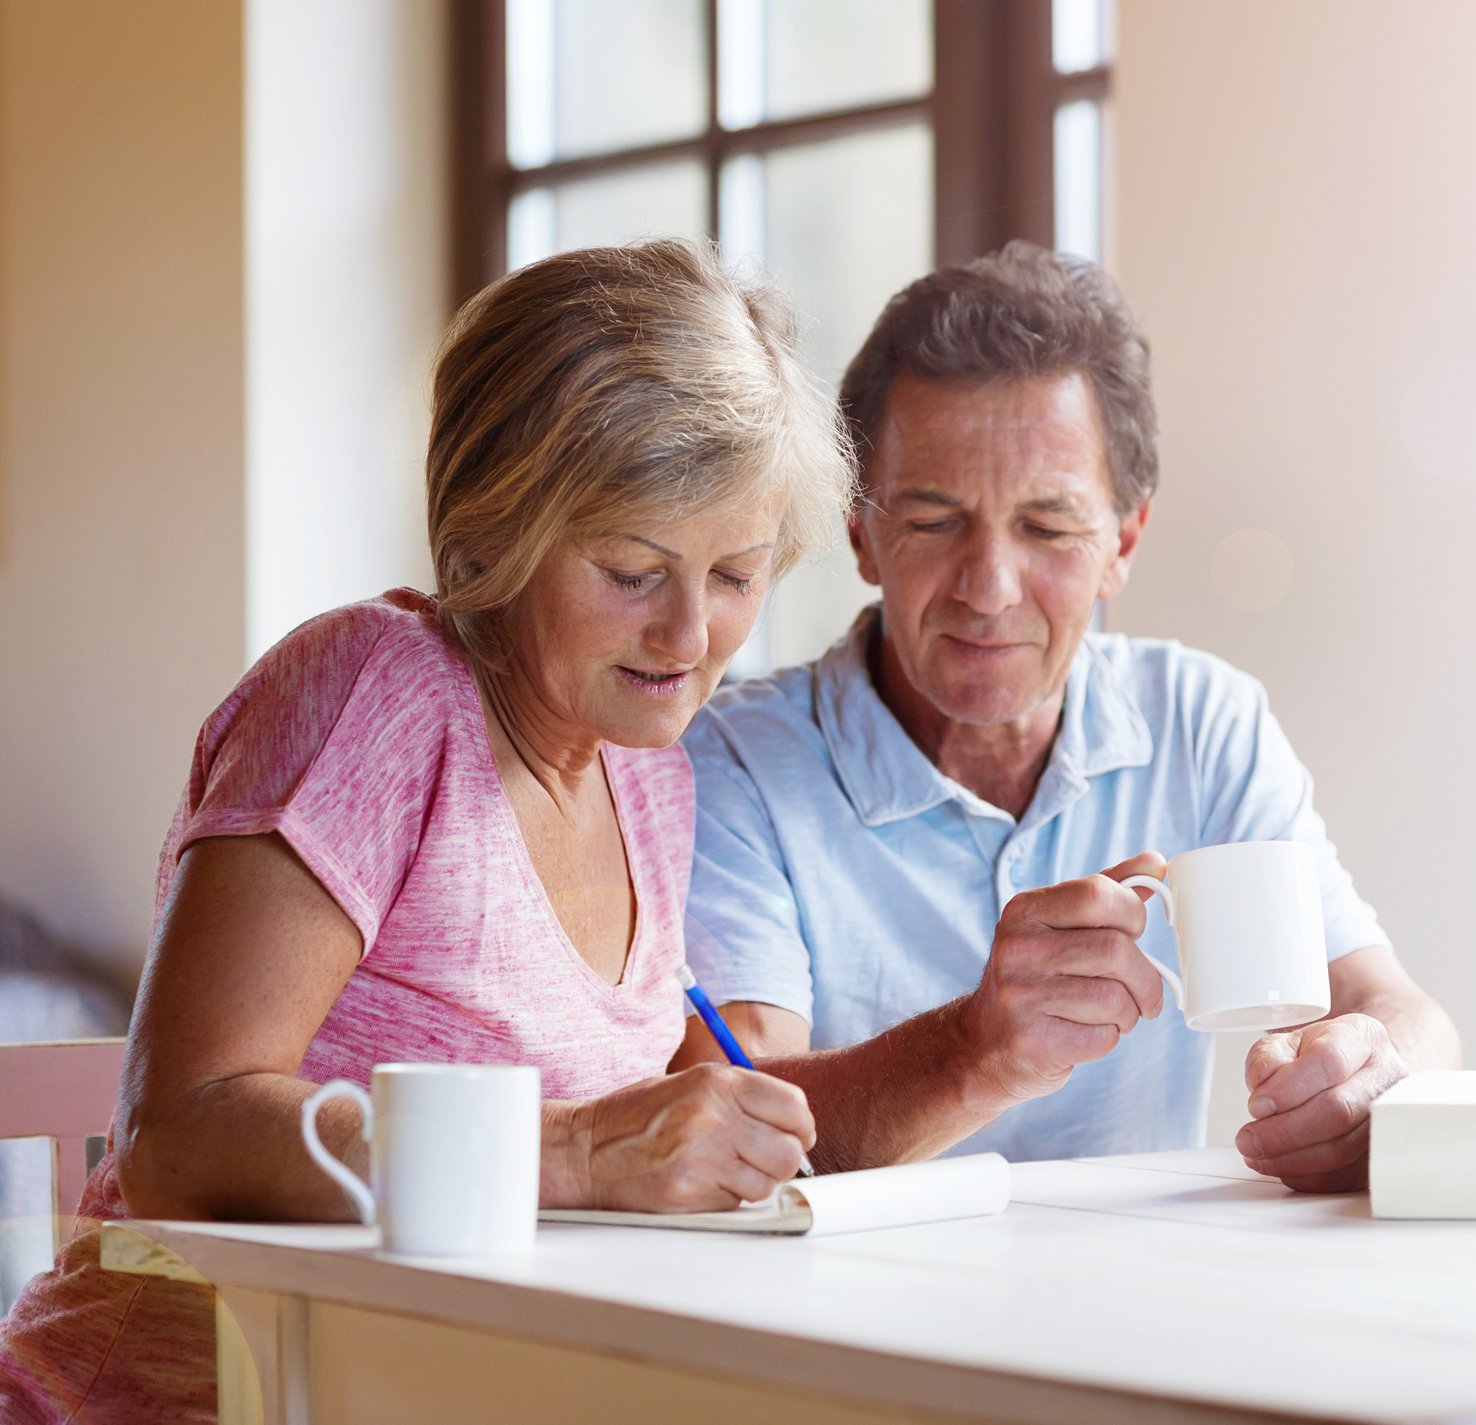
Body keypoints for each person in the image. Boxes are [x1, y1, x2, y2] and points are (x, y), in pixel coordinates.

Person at [0, 239, 852, 1424]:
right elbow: (176, 1135)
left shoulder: (646, 772)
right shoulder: (376, 693)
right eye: (629, 569)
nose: (689, 636)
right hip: (198, 1396)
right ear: (494, 533)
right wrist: (586, 1154)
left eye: (736, 576)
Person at [681, 243, 1461, 1191]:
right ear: (861, 532)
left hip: (1136, 1303)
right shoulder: (735, 760)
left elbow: (1404, 1012)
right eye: (932, 521)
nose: (989, 588)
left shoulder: (1199, 720)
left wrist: (1373, 1077)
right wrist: (973, 1051)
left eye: (1047, 528)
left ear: (1122, 542)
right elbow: (735, 1115)